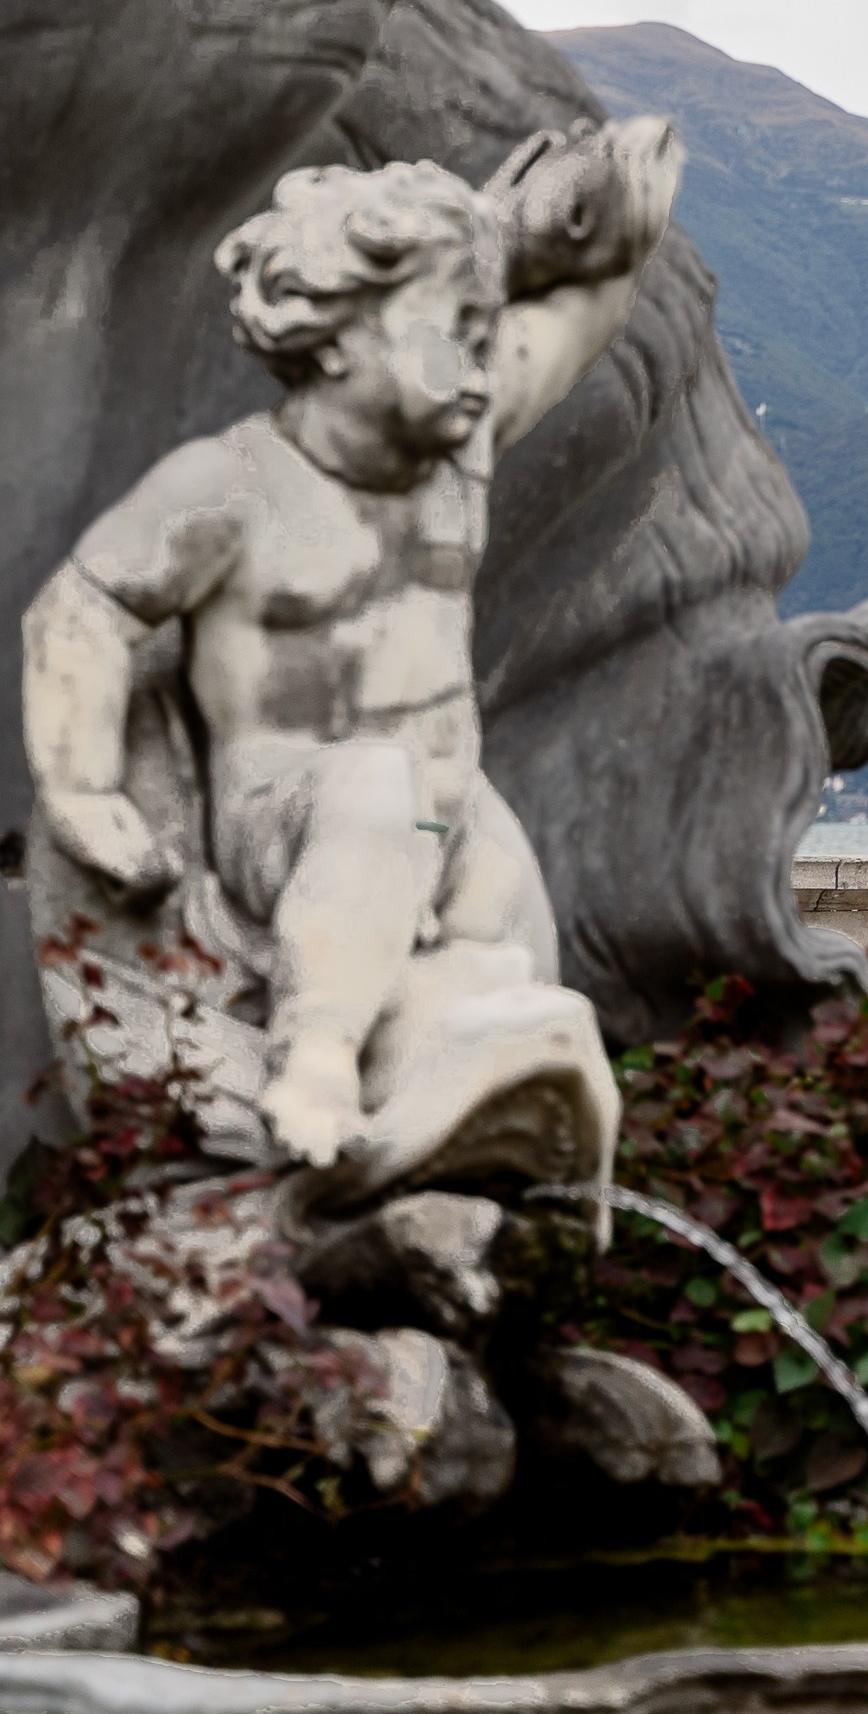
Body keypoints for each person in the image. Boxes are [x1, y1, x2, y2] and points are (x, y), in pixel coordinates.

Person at [21, 119, 681, 1172]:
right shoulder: (229, 489)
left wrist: (618, 235)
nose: (479, 364)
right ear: (332, 336)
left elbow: (575, 325)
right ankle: (314, 1059)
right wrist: (83, 787)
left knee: (516, 969)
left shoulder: (453, 454)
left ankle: (494, 1181)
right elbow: (83, 610)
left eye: (483, 331)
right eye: (450, 333)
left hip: (450, 808)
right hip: (288, 810)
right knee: (375, 788)